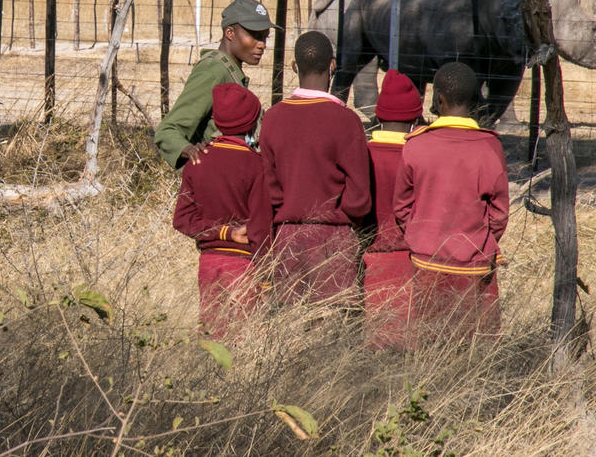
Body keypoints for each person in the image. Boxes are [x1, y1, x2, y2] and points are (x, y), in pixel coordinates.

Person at [392, 62, 509, 342]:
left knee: (427, 345)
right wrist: (480, 241)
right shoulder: (489, 146)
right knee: (473, 349)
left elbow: (401, 207)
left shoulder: (416, 145)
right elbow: (500, 212)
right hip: (474, 265)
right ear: (475, 99)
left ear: (438, 99)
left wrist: (420, 236)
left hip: (426, 262)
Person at [260, 31, 372, 306]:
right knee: (332, 332)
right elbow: (359, 197)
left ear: (294, 66)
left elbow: (270, 189)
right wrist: (343, 215)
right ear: (332, 65)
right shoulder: (346, 120)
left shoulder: (273, 118)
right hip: (333, 239)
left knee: (291, 328)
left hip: (287, 237)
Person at [173, 83, 272, 339]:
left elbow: (182, 220)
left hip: (208, 263)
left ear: (216, 119)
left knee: (212, 338)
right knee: (245, 338)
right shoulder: (257, 164)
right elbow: (261, 229)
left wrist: (223, 232)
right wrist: (266, 279)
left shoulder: (197, 160)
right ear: (252, 124)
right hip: (245, 265)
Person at [154, 0, 278, 169]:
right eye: (255, 36)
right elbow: (167, 131)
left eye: (265, 37)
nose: (262, 45)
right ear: (230, 33)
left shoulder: (230, 71)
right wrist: (189, 151)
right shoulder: (213, 71)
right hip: (218, 183)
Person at [361, 70, 424, 349]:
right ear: (415, 120)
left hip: (368, 264)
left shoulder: (363, 154)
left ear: (379, 116)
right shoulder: (420, 157)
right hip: (412, 266)